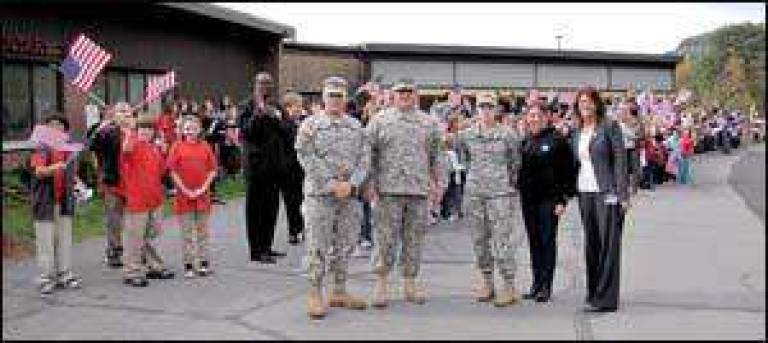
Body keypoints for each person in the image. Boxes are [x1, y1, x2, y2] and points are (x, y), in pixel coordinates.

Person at [295, 76, 371, 319]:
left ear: (345, 98)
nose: (336, 100)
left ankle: (339, 290)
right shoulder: (310, 125)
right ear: (323, 98)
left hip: (349, 196)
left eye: (340, 96)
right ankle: (315, 293)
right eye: (331, 96)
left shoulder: (356, 126)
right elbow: (305, 156)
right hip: (320, 196)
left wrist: (353, 184)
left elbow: (365, 158)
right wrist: (331, 184)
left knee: (345, 244)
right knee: (317, 245)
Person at [365, 78, 444, 307]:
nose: (405, 96)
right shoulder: (380, 120)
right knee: (385, 239)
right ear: (393, 94)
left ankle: (410, 283)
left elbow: (437, 156)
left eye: (409, 92)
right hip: (388, 189)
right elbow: (368, 153)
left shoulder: (428, 123)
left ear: (416, 95)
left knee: (414, 239)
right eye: (401, 92)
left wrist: (439, 184)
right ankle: (381, 284)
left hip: (418, 190)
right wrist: (368, 183)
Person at [456, 92, 523, 307]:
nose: (485, 111)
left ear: (496, 109)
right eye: (482, 107)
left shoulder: (508, 135)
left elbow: (515, 163)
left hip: (500, 195)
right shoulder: (466, 135)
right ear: (477, 109)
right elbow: (463, 159)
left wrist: (506, 184)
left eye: (489, 107)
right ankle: (487, 283)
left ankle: (509, 286)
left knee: (502, 242)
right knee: (479, 241)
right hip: (474, 195)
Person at [570, 87, 629, 312]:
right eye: (581, 102)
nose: (584, 105)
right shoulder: (577, 131)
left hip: (607, 193)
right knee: (592, 245)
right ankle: (593, 292)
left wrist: (622, 195)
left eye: (588, 101)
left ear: (596, 103)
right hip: (585, 193)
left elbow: (620, 162)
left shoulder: (610, 126)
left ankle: (606, 299)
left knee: (608, 246)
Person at [518, 102, 577, 303]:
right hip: (528, 201)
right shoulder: (526, 140)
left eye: (537, 115)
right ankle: (536, 284)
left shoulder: (557, 140)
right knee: (534, 242)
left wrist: (563, 199)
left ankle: (546, 286)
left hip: (549, 201)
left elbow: (570, 171)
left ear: (545, 117)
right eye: (530, 115)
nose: (533, 119)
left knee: (547, 242)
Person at [119, 114, 175, 287]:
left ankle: (153, 266)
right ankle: (132, 271)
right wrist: (129, 132)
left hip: (154, 199)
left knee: (152, 235)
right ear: (137, 130)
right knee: (134, 238)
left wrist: (165, 150)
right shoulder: (132, 145)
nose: (146, 132)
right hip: (137, 200)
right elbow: (126, 149)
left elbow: (162, 171)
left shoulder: (154, 148)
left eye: (150, 129)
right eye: (143, 128)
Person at [30, 114, 84, 296]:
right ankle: (45, 278)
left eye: (60, 125)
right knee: (46, 241)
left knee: (64, 240)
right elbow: (39, 172)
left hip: (64, 202)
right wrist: (55, 168)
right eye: (52, 125)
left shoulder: (68, 150)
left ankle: (65, 275)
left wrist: (79, 184)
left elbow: (71, 174)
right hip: (46, 201)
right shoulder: (41, 148)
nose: (56, 128)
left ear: (64, 130)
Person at [239, 72, 287, 264]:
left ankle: (267, 246)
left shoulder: (276, 107)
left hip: (275, 167)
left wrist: (275, 117)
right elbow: (246, 133)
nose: (266, 87)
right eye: (263, 83)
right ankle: (256, 251)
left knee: (271, 208)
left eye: (269, 84)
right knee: (255, 210)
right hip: (256, 167)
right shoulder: (246, 106)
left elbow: (287, 130)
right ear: (256, 84)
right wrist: (258, 113)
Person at [167, 114, 218, 278]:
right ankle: (189, 264)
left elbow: (212, 170)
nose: (190, 131)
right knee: (187, 233)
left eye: (194, 128)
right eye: (187, 128)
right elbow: (173, 171)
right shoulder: (177, 146)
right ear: (182, 130)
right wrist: (185, 190)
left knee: (203, 232)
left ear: (199, 130)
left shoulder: (205, 146)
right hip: (184, 196)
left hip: (202, 195)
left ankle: (204, 263)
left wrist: (203, 188)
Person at [88, 101, 133, 268]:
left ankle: (136, 251)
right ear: (114, 115)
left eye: (128, 111)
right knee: (114, 219)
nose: (125, 115)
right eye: (121, 111)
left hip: (134, 183)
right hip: (114, 183)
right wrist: (100, 129)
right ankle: (114, 251)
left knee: (135, 221)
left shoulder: (139, 132)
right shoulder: (108, 132)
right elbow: (94, 145)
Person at [279, 91, 306, 245]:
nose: (300, 109)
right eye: (298, 106)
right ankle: (294, 231)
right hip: (288, 169)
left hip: (299, 169)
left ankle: (300, 227)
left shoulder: (298, 123)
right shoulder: (284, 124)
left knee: (300, 200)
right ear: (289, 107)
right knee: (291, 201)